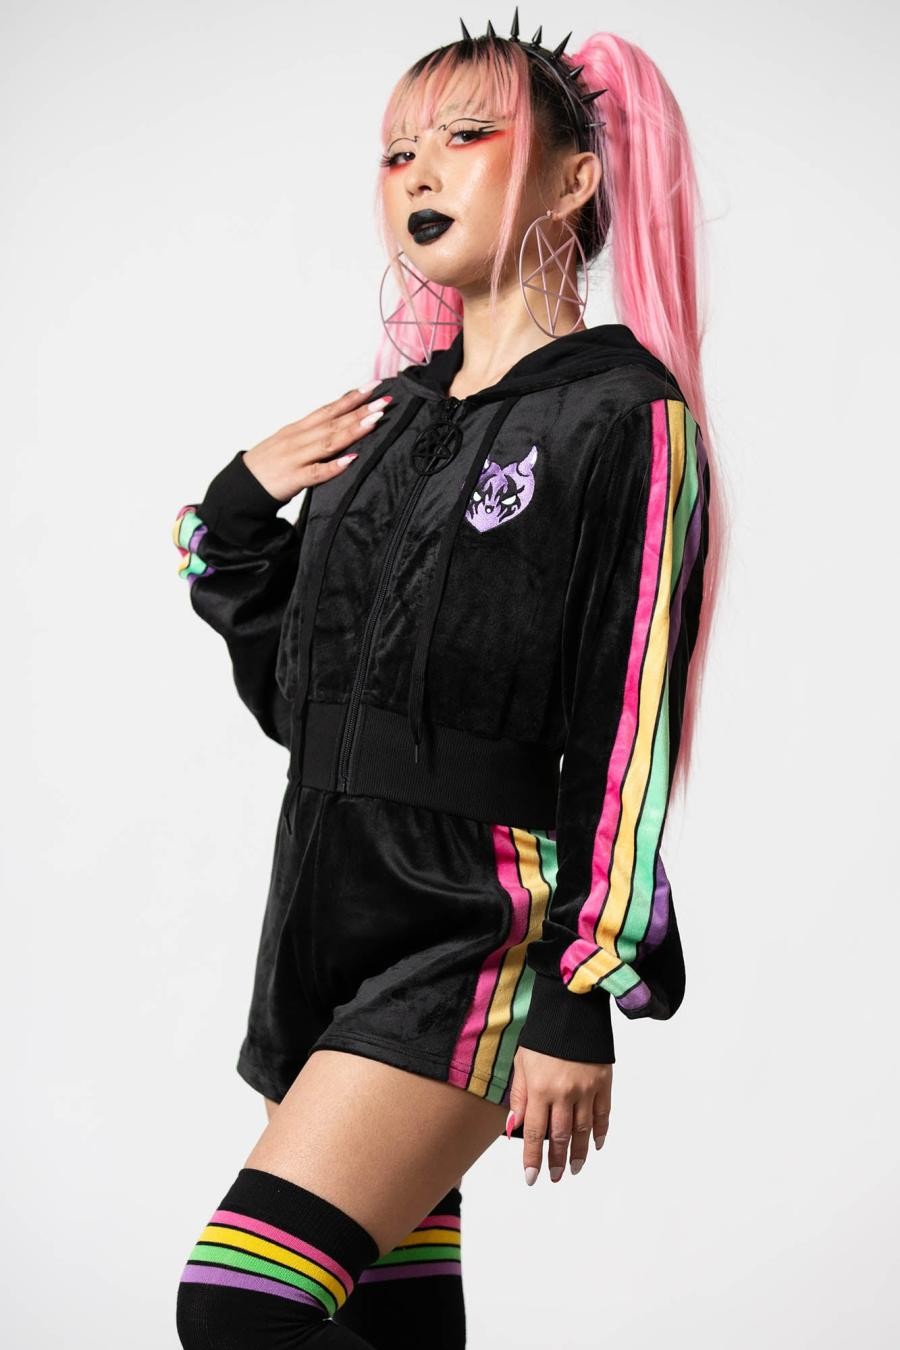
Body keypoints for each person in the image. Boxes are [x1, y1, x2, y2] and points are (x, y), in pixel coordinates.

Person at [171, 14, 723, 1348]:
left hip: (476, 925)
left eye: (466, 137)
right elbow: (300, 696)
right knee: (385, 1323)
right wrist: (237, 508)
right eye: (395, 151)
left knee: (239, 1312)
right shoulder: (385, 422)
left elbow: (628, 719)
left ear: (574, 179)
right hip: (320, 908)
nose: (416, 172)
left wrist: (580, 988)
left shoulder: (625, 417)